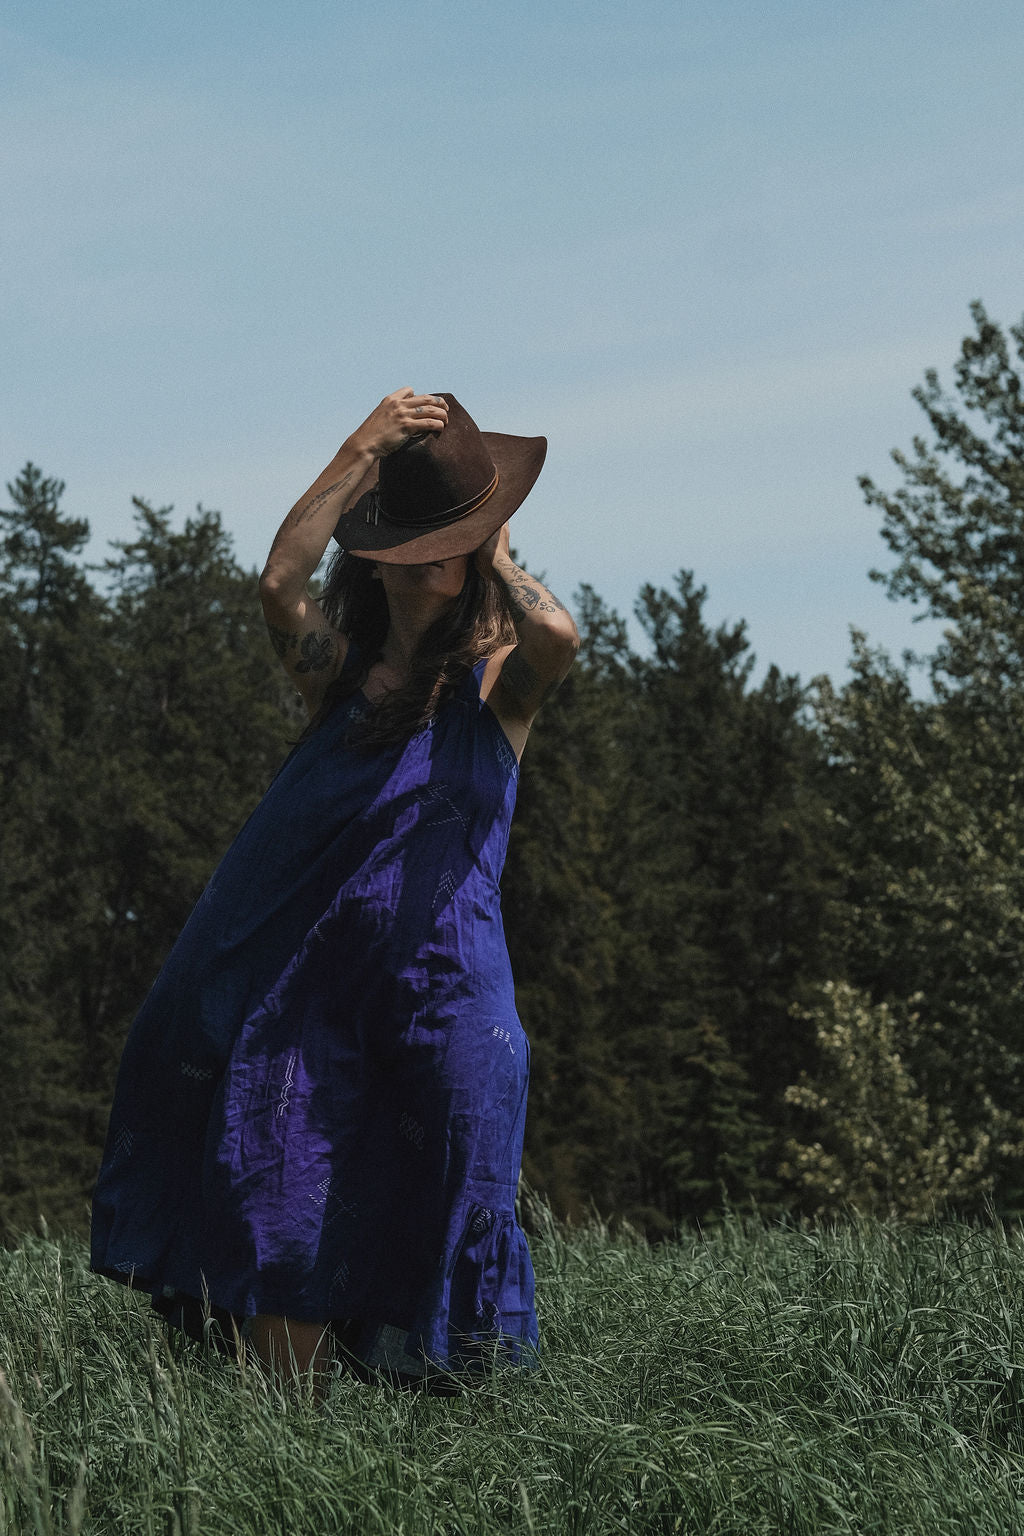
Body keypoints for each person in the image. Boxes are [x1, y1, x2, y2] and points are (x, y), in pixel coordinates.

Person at [90, 387, 578, 1391]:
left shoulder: (497, 690)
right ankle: (294, 1451)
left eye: (454, 538)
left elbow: (560, 636)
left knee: (455, 1201)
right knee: (286, 1201)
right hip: (311, 1001)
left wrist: (490, 548)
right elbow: (280, 581)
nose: (435, 558)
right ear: (379, 553)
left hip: (448, 1001)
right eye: (421, 538)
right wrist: (360, 449)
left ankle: (456, 1447)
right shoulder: (340, 680)